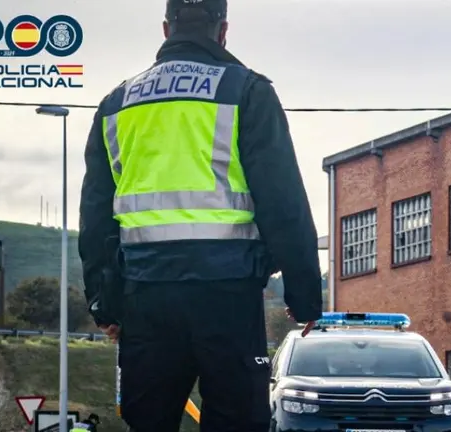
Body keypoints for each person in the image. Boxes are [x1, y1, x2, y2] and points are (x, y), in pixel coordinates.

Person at [77, 0, 324, 430]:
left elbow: (96, 215)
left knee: (149, 420)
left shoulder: (116, 104)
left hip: (145, 295)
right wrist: (303, 297)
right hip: (227, 295)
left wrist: (106, 304)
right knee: (236, 419)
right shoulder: (247, 92)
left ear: (165, 28)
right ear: (223, 29)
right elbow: (283, 202)